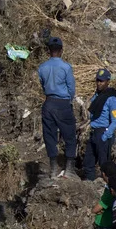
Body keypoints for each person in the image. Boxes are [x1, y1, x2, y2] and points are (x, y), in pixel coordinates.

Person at [38, 37, 77, 177]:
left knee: (49, 136)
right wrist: (69, 100)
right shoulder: (66, 67)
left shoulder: (42, 67)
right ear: (61, 50)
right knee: (70, 136)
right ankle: (69, 169)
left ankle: (53, 167)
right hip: (63, 103)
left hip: (48, 103)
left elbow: (43, 85)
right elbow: (71, 88)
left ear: (49, 51)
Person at [83, 69, 116, 180]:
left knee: (104, 165)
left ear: (108, 81)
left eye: (102, 81)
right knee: (88, 162)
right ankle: (89, 184)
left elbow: (115, 122)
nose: (99, 83)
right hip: (94, 132)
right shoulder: (97, 96)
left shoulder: (112, 99)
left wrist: (105, 136)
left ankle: (106, 187)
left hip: (103, 132)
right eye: (98, 80)